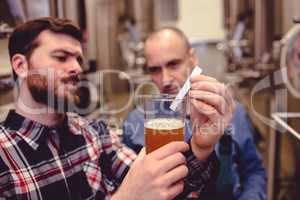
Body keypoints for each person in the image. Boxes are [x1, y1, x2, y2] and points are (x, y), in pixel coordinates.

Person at [0, 17, 235, 200]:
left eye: (78, 59)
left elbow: (163, 190)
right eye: (62, 57)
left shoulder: (95, 134)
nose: (76, 68)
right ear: (20, 65)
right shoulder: (4, 156)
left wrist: (201, 148)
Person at [123, 27, 267, 199]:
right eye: (154, 69)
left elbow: (254, 172)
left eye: (173, 64)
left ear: (192, 58)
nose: (166, 79)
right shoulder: (139, 122)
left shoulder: (227, 111)